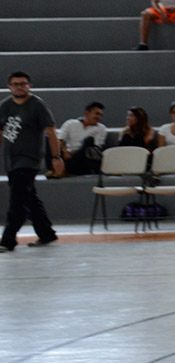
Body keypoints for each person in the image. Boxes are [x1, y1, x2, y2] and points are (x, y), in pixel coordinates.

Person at [1, 72, 64, 251]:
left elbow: (51, 131)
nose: (19, 87)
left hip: (29, 161)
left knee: (18, 201)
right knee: (29, 198)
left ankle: (8, 240)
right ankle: (46, 233)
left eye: (23, 84)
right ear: (9, 87)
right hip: (11, 161)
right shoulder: (5, 106)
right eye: (15, 84)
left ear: (29, 85)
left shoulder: (37, 106)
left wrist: (56, 157)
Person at [54, 101, 107, 176]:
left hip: (85, 161)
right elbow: (60, 139)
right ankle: (59, 168)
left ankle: (63, 170)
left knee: (89, 140)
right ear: (87, 113)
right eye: (97, 114)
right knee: (50, 138)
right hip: (66, 157)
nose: (99, 117)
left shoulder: (101, 128)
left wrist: (71, 153)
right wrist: (64, 151)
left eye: (101, 115)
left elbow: (94, 149)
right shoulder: (70, 123)